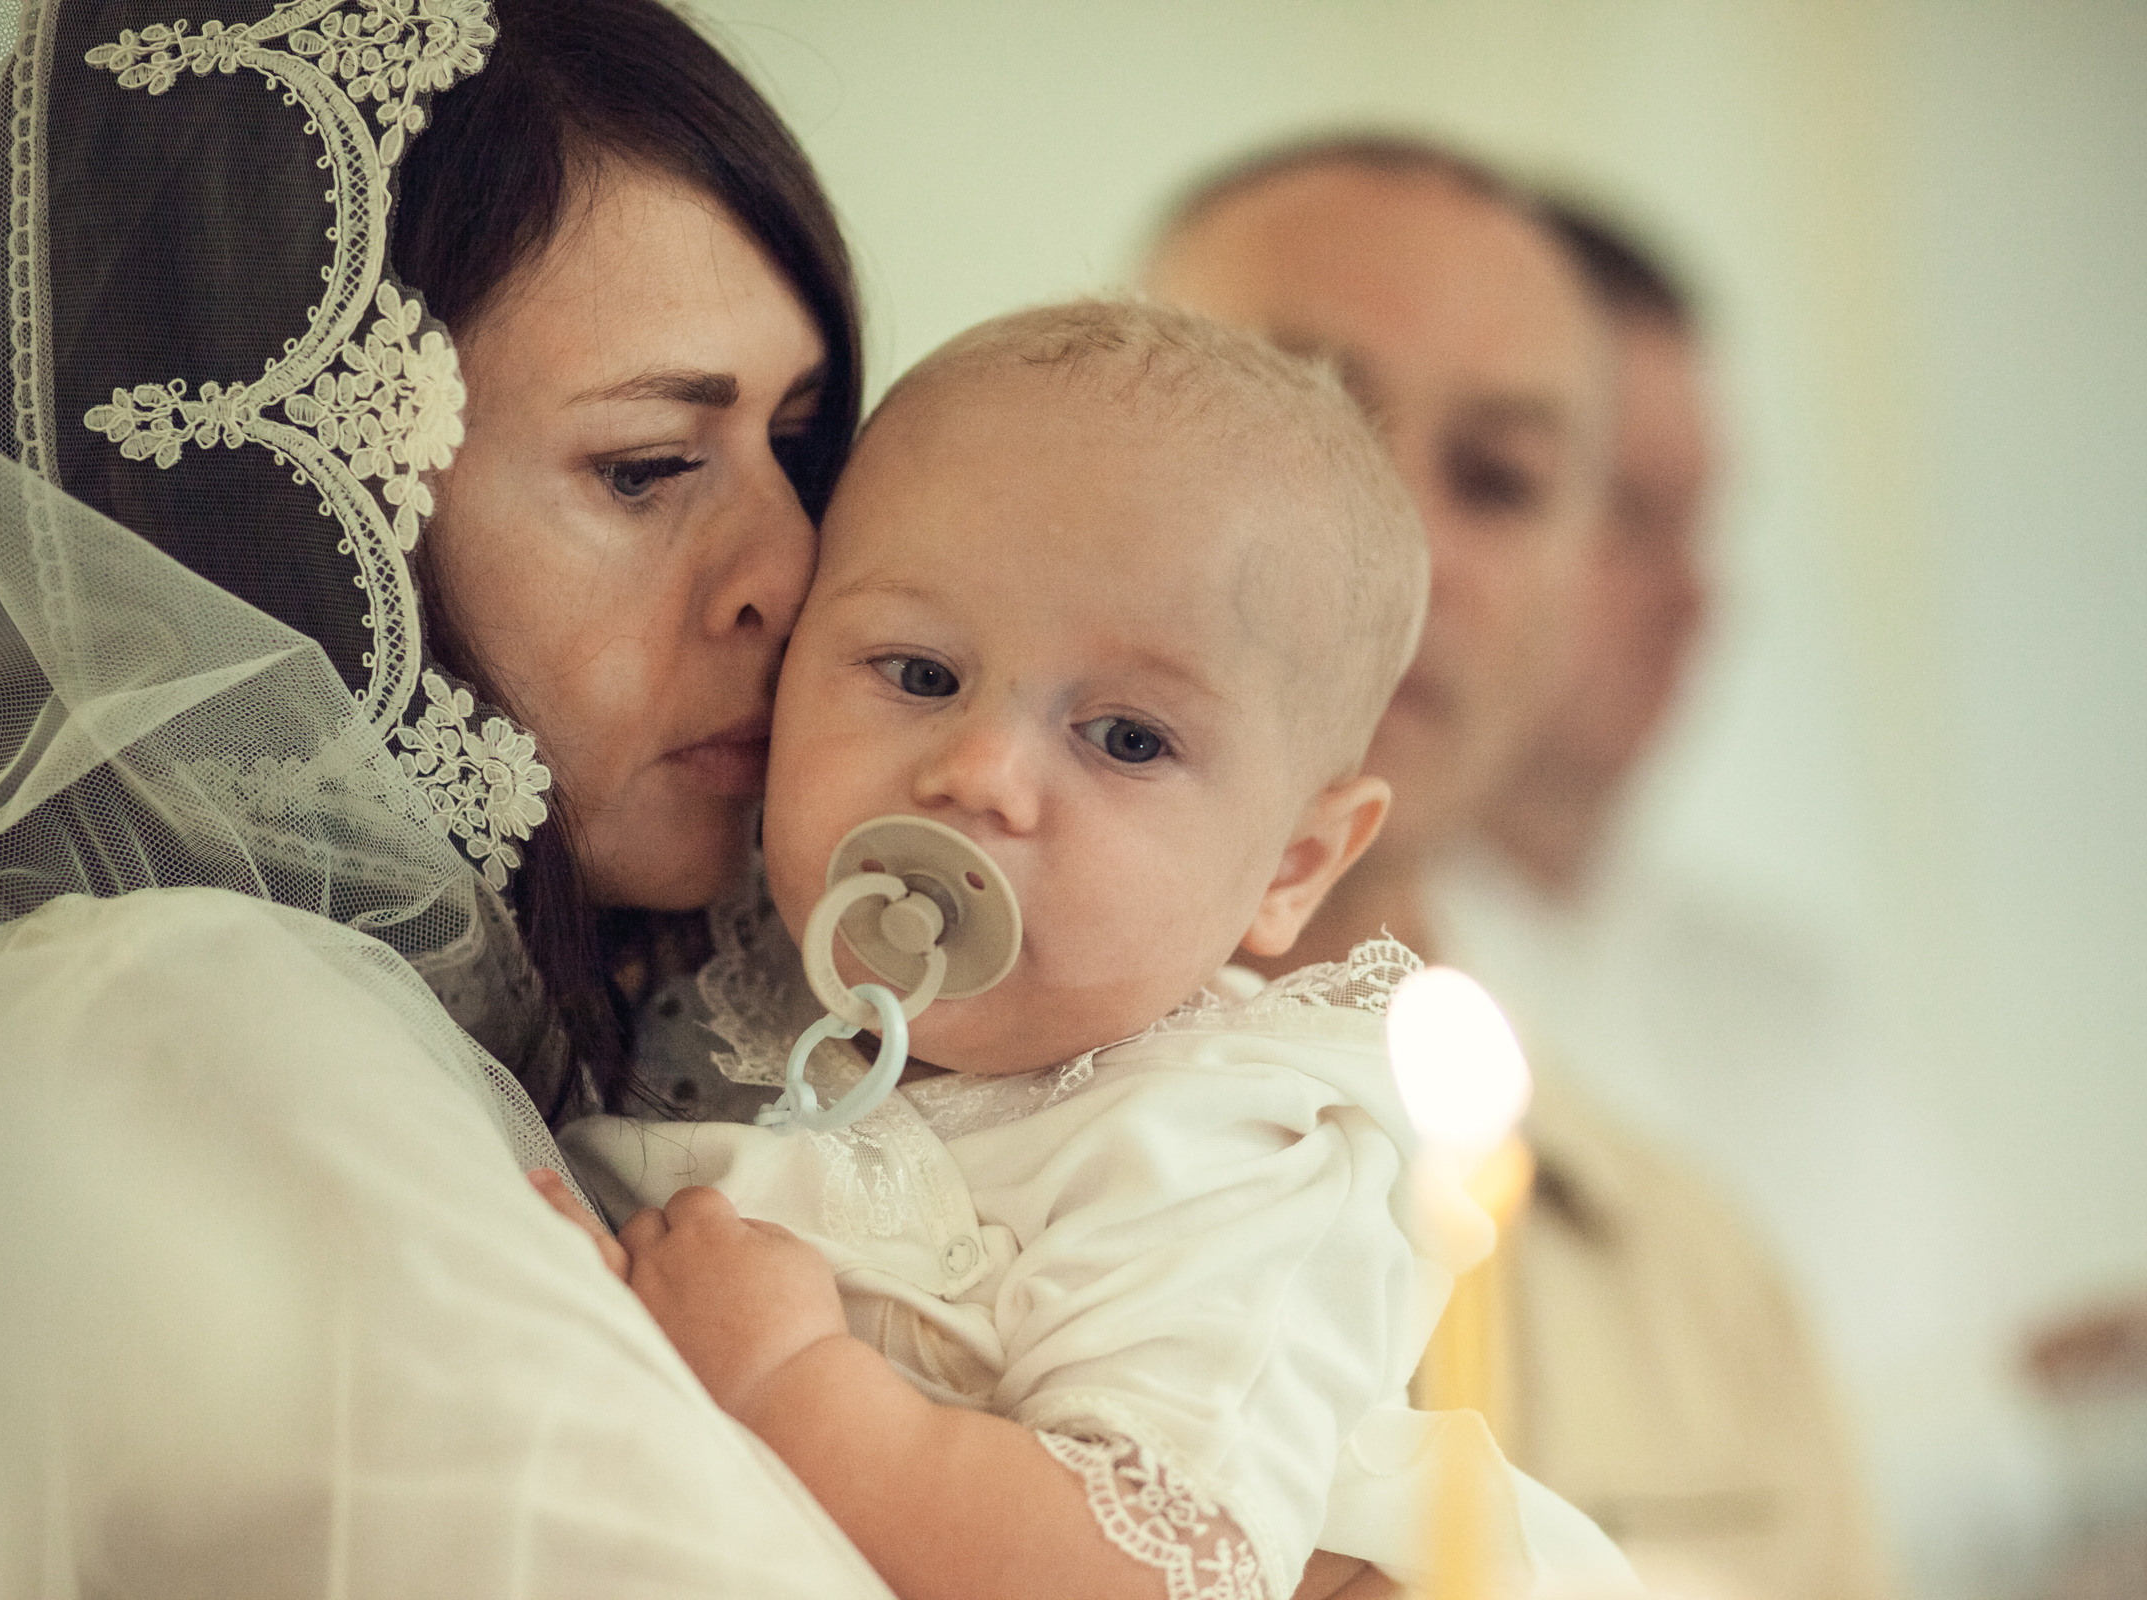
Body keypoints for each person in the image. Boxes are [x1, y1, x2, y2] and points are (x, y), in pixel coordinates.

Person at [0, 0, 867, 1589]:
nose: (794, 571)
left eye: (799, 446)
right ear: (273, 505)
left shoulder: (614, 1052)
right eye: (648, 465)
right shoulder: (195, 1042)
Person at [561, 300, 1636, 1600]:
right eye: (917, 672)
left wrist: (787, 1384)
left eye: (1128, 739)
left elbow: (1149, 1573)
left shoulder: (1234, 1155)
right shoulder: (704, 970)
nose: (979, 773)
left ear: (1292, 866)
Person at [1145, 135, 1897, 1600]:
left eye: (1499, 482)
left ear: (1571, 583)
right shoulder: (813, 1148)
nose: (1405, 544)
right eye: (1303, 418)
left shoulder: (1706, 1294)